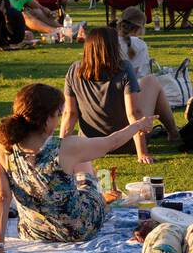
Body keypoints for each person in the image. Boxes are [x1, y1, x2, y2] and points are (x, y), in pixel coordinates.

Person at [0, 83, 149, 253]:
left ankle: (96, 193)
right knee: (85, 169)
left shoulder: (1, 149)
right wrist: (139, 125)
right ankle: (103, 197)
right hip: (81, 229)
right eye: (58, 115)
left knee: (76, 168)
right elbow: (111, 142)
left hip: (35, 231)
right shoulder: (66, 146)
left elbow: (3, 197)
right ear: (47, 118)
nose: (58, 120)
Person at [62, 28, 181, 165]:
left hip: (91, 144)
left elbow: (70, 114)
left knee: (146, 83)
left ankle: (173, 133)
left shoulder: (74, 70)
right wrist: (142, 152)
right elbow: (134, 112)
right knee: (151, 81)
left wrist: (59, 148)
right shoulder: (123, 68)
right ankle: (173, 133)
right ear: (114, 47)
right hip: (125, 142)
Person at [116, 6, 152, 78]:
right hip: (132, 85)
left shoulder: (109, 40)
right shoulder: (140, 45)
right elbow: (136, 73)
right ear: (139, 28)